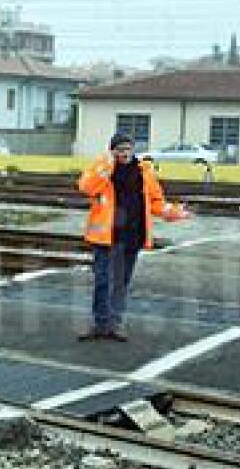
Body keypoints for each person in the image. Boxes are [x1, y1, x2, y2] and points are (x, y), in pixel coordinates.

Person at [77, 133, 190, 342]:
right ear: (112, 151)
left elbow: (156, 201)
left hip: (132, 235)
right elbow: (86, 187)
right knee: (103, 281)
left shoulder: (144, 171)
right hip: (105, 236)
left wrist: (173, 212)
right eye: (119, 149)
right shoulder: (102, 168)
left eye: (127, 149)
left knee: (121, 282)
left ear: (133, 150)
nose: (124, 153)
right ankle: (100, 323)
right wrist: (107, 166)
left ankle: (115, 323)